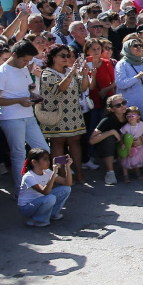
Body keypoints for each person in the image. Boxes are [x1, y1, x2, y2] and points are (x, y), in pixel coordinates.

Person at [0, 40, 48, 188]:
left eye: (29, 60)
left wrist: (34, 97)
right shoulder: (0, 73)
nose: (26, 63)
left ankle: (42, 183)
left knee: (43, 149)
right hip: (11, 118)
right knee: (19, 155)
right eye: (25, 60)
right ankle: (20, 189)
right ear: (14, 54)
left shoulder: (23, 68)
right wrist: (18, 101)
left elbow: (26, 91)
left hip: (28, 116)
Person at [37, 44, 89, 185]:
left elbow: (83, 88)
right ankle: (61, 176)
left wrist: (84, 75)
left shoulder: (69, 71)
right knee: (57, 143)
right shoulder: (47, 73)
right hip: (57, 114)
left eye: (68, 55)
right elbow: (59, 89)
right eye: (63, 56)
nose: (67, 58)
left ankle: (79, 173)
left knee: (75, 142)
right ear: (53, 57)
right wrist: (72, 72)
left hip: (73, 113)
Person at [18, 148, 72, 227]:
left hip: (41, 200)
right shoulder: (29, 176)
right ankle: (38, 220)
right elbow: (45, 192)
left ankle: (52, 214)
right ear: (34, 162)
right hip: (27, 208)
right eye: (45, 159)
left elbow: (67, 183)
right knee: (50, 198)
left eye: (48, 159)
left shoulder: (47, 171)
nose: (48, 162)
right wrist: (53, 174)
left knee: (66, 189)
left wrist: (67, 167)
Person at [118, 106, 143, 182]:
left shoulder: (141, 125)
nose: (130, 118)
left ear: (138, 117)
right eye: (128, 116)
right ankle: (125, 175)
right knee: (126, 161)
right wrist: (122, 143)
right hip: (129, 147)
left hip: (138, 147)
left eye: (133, 116)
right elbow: (121, 136)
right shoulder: (126, 127)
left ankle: (137, 171)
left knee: (136, 160)